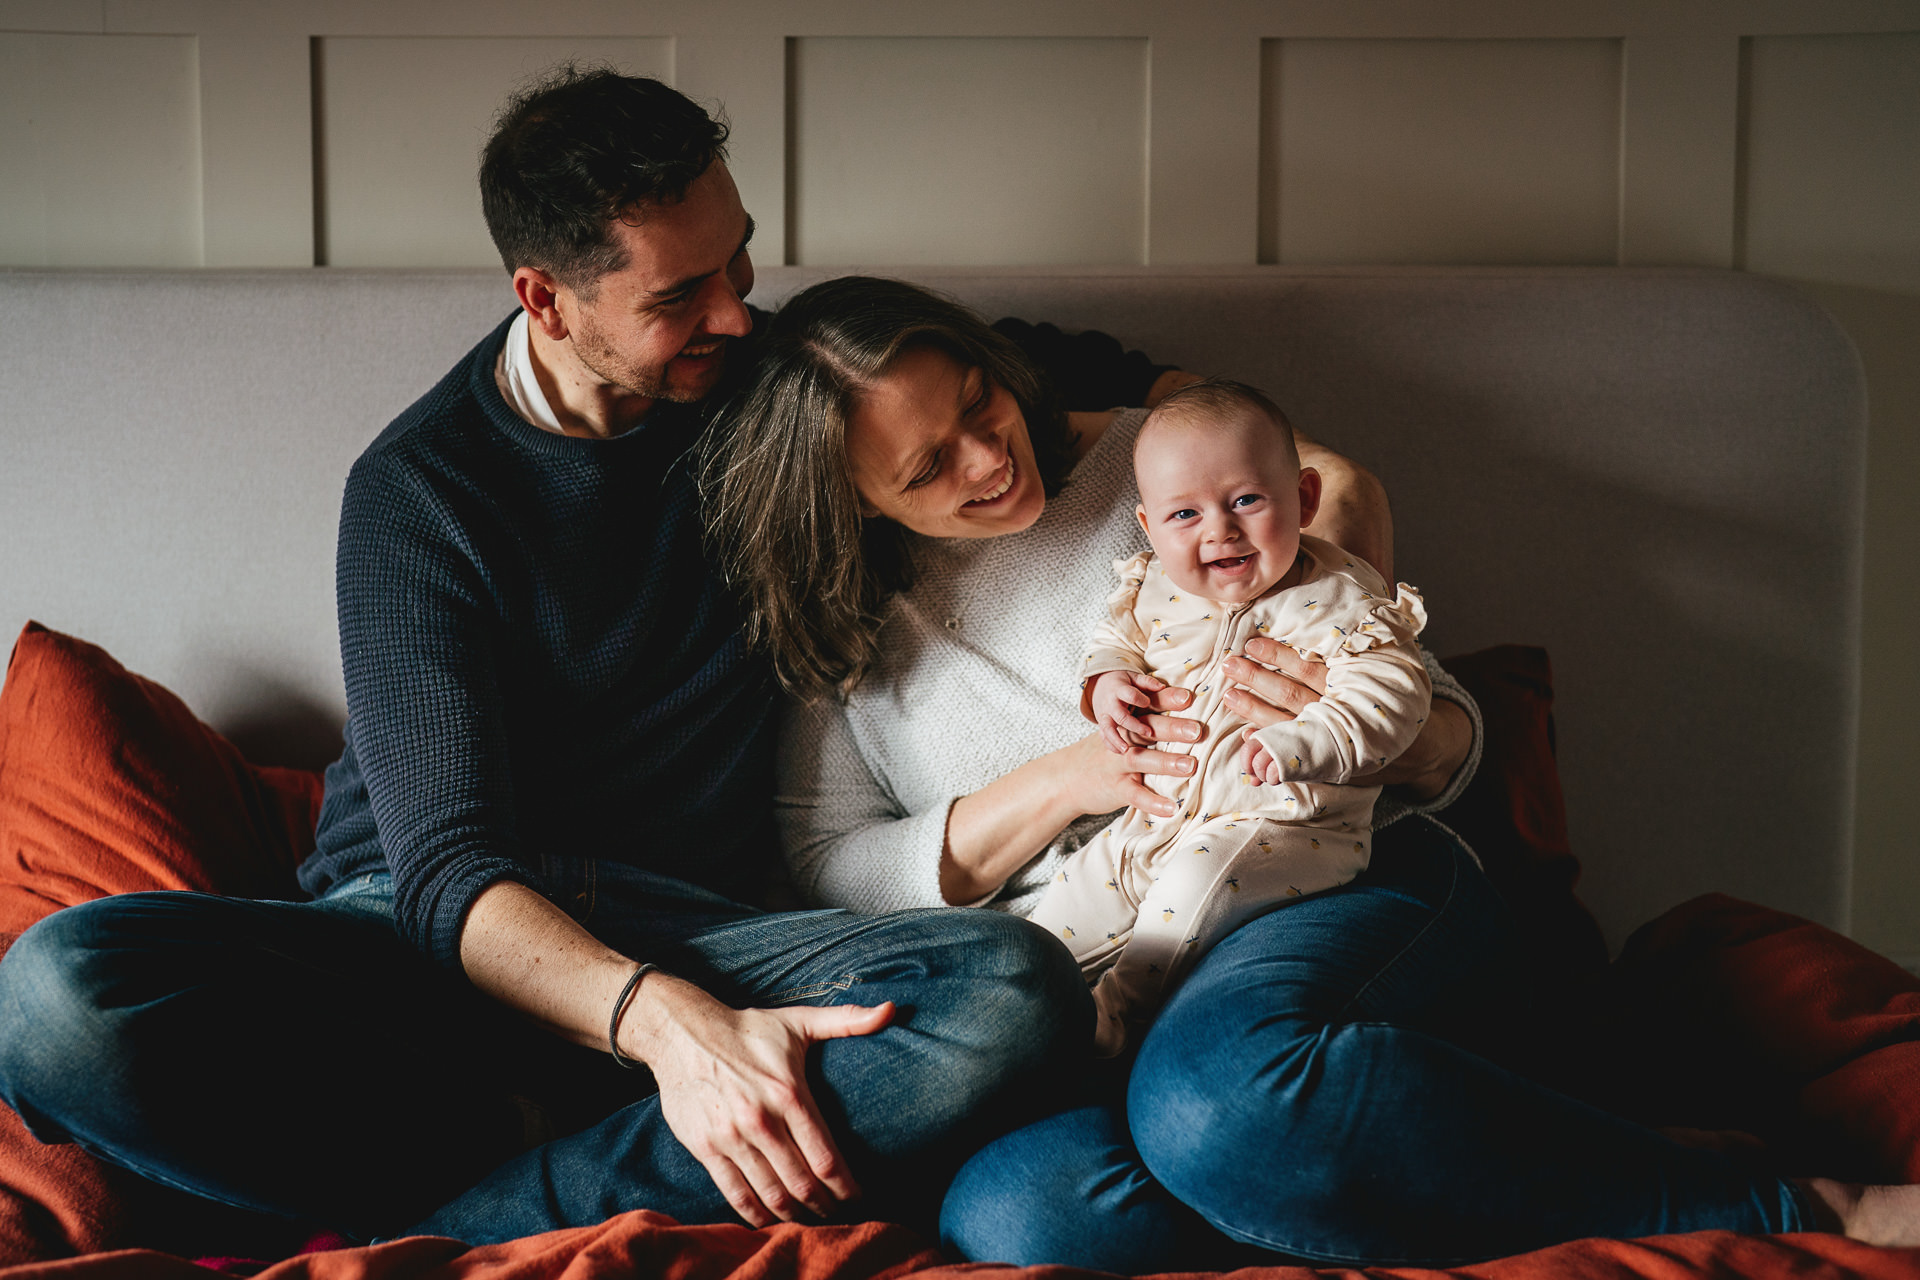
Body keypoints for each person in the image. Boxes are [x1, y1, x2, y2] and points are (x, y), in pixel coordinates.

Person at [0, 69, 1162, 1246]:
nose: (737, 314)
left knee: (1013, 990)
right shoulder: (423, 494)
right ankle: (584, 1141)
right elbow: (450, 871)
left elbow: (1022, 368)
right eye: (679, 295)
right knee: (56, 998)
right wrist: (667, 1029)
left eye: (739, 257)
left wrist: (1264, 443)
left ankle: (476, 1216)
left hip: (701, 926)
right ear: (545, 299)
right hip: (430, 948)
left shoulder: (761, 387)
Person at [708, 275, 1920, 1270]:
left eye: (980, 401)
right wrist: (1073, 778)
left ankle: (1779, 1200)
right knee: (1031, 1218)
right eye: (927, 469)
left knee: (1220, 1104)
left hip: (1322, 873)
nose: (988, 456)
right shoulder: (842, 633)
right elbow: (827, 865)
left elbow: (1423, 708)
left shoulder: (1169, 470)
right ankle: (1465, 1144)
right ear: (849, 504)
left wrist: (1379, 734)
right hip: (1091, 963)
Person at [1032, 378, 1432, 1055]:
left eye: (1246, 500)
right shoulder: (1151, 589)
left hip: (1287, 826)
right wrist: (1106, 685)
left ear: (1304, 499)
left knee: (1192, 888)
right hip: (1151, 824)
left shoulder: (1340, 599)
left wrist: (1308, 741)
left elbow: (1397, 696)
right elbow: (1115, 644)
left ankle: (1116, 1022)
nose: (1220, 529)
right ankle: (1022, 1011)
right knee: (1062, 913)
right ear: (1149, 527)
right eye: (1184, 515)